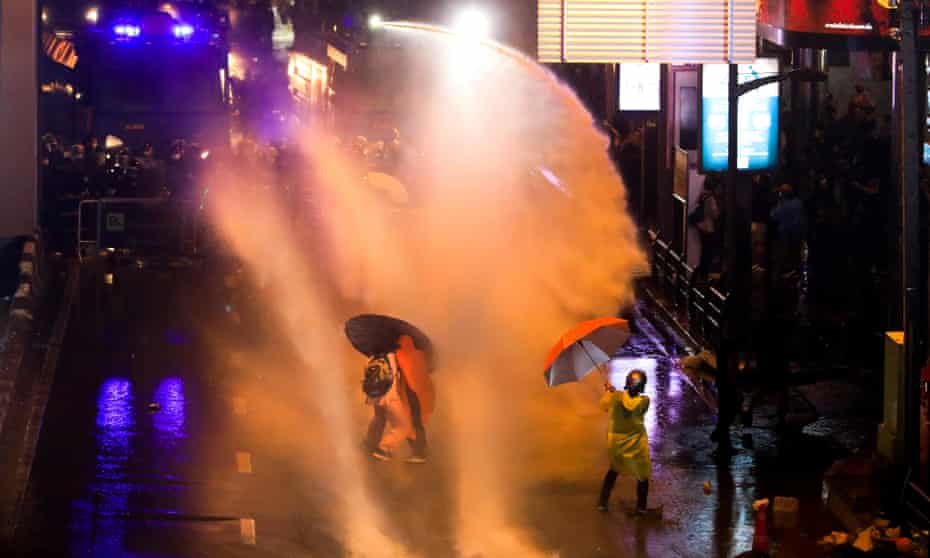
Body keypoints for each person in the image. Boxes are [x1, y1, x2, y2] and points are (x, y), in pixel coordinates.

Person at [363, 335, 434, 463]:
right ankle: (384, 449)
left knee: (379, 418)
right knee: (404, 426)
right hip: (390, 395)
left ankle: (370, 445)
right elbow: (395, 374)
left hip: (375, 395)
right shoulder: (392, 355)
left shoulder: (372, 355)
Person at [597, 369, 652, 515]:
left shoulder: (616, 396)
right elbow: (631, 405)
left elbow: (603, 406)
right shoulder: (644, 401)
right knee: (643, 475)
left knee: (614, 470)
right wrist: (614, 393)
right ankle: (641, 508)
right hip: (636, 443)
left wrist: (610, 393)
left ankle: (602, 502)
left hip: (617, 443)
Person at [690, 180, 721, 281]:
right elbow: (714, 214)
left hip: (701, 226)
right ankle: (703, 274)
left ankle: (700, 273)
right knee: (708, 252)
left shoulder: (702, 195)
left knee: (704, 251)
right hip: (708, 227)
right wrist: (718, 211)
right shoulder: (710, 198)